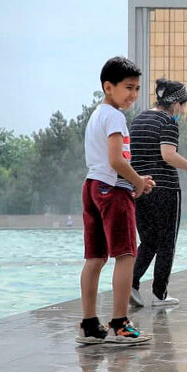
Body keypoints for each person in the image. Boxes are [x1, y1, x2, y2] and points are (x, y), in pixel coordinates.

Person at [76, 56, 154, 345]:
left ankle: (89, 324)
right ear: (108, 87)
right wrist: (138, 181)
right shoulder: (115, 117)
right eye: (128, 88)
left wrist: (134, 178)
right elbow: (116, 159)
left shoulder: (97, 115)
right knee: (126, 255)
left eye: (136, 88)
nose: (133, 95)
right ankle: (120, 324)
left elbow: (106, 161)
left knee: (95, 257)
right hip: (113, 189)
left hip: (92, 186)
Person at [129, 78, 187, 309]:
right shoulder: (168, 121)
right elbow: (168, 155)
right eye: (183, 106)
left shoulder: (138, 120)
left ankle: (132, 283)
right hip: (164, 189)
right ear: (176, 104)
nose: (182, 111)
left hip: (139, 187)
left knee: (148, 240)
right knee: (167, 242)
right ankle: (160, 294)